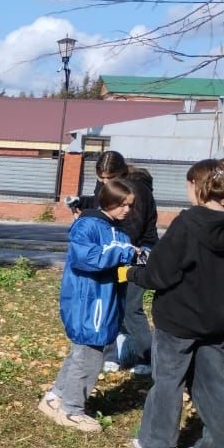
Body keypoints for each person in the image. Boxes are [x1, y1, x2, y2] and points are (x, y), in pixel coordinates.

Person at [129, 160, 224, 448]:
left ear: (197, 186)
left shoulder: (187, 223)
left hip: (179, 318)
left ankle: (157, 443)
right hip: (216, 319)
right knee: (212, 381)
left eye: (188, 184)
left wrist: (133, 274)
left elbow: (160, 273)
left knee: (168, 378)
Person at [38, 178, 138, 432]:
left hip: (106, 299)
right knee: (89, 356)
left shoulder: (119, 231)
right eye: (123, 204)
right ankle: (71, 411)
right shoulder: (88, 226)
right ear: (109, 201)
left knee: (81, 352)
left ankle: (55, 399)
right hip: (88, 300)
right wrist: (127, 253)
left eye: (130, 205)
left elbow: (118, 263)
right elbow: (88, 259)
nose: (127, 210)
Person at [73, 151, 159, 374]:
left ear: (121, 173)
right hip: (114, 251)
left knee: (131, 308)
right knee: (110, 303)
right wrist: (81, 204)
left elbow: (132, 227)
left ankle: (146, 359)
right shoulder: (108, 185)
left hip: (138, 253)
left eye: (109, 179)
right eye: (101, 180)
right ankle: (111, 354)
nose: (104, 184)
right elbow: (100, 205)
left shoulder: (136, 191)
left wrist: (122, 250)